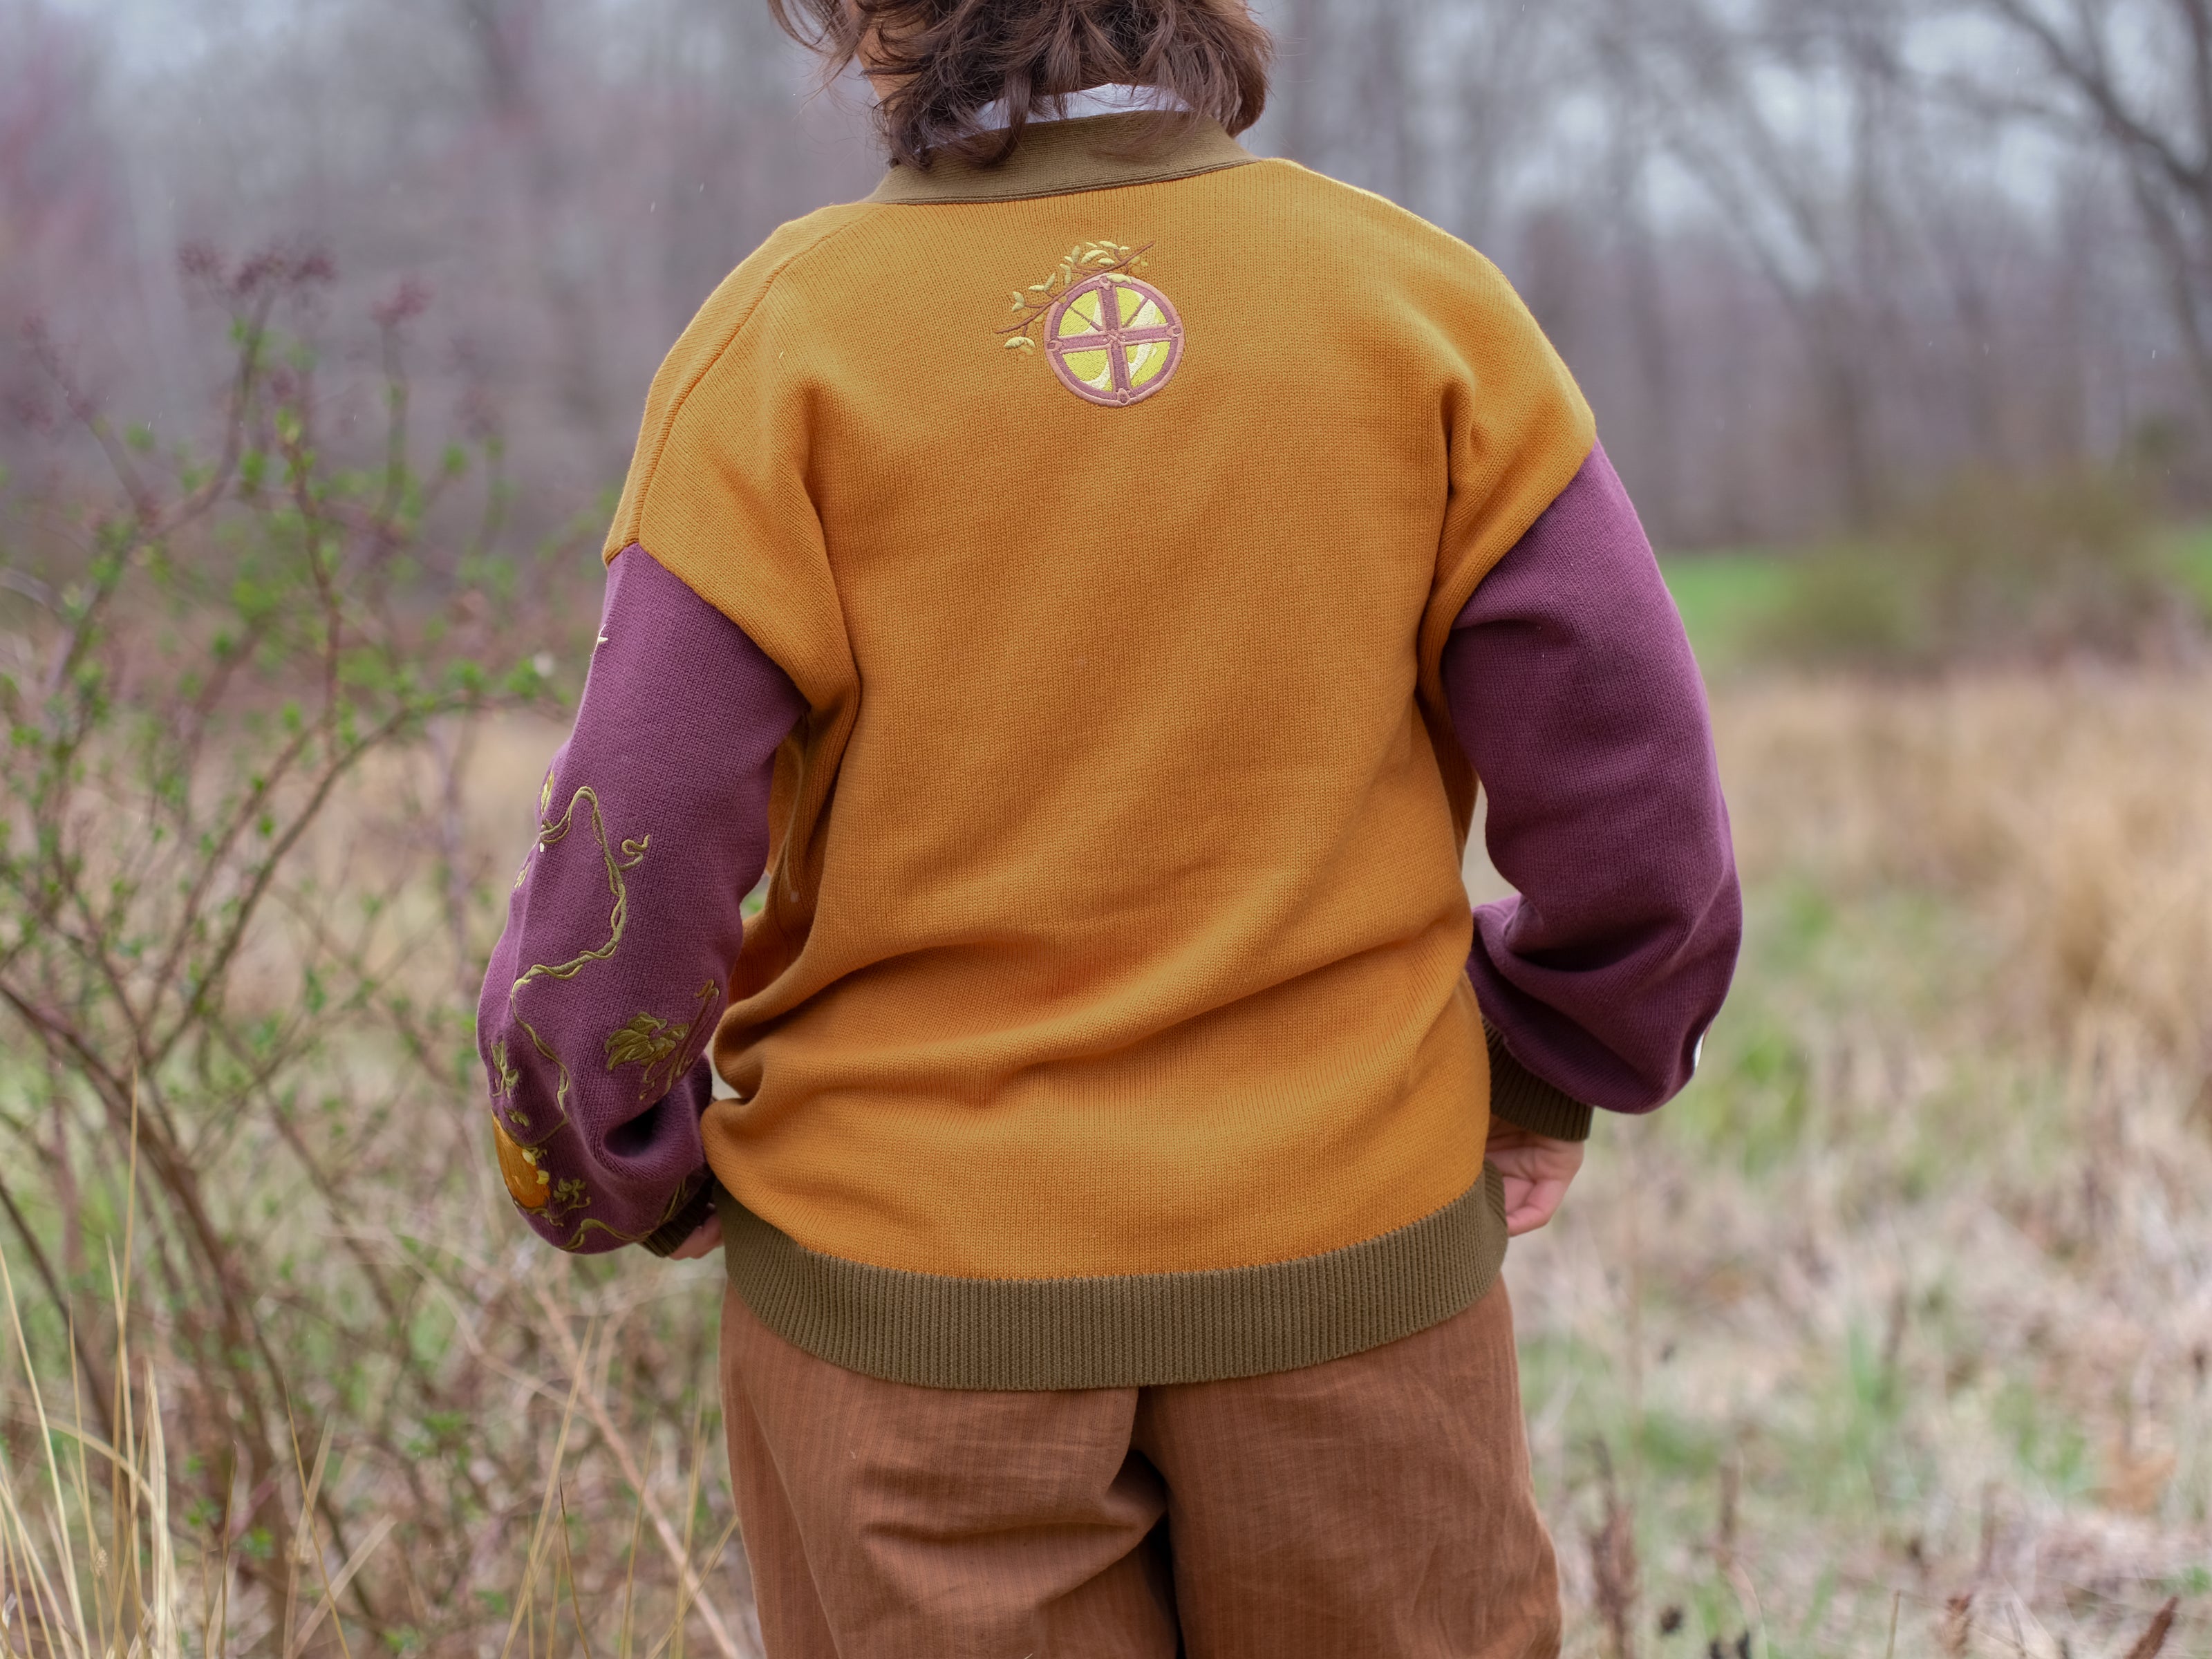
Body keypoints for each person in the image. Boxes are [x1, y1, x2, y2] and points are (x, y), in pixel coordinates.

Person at [475, 1, 1741, 1652]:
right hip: (1354, 1272)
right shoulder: (1415, 312)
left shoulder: (784, 344)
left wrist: (610, 1161)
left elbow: (628, 841)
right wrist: (1561, 1062)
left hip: (906, 1322)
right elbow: (1639, 805)